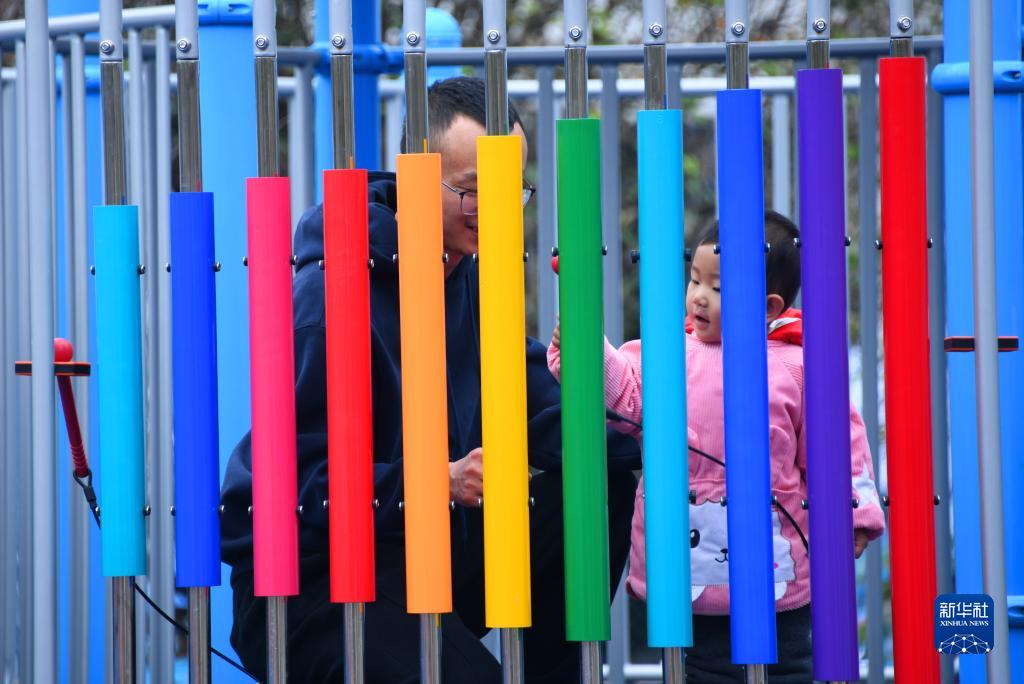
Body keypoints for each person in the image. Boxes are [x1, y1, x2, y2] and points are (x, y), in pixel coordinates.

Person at [219, 76, 641, 683]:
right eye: (472, 192)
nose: (493, 211)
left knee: (595, 481)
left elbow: (538, 404)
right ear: (415, 175)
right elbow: (298, 486)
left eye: (511, 191)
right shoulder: (329, 294)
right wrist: (435, 480)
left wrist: (655, 430)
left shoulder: (464, 273)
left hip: (427, 554)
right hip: (315, 582)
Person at [547, 211, 887, 683]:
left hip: (776, 582)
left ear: (768, 306)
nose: (699, 297)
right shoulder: (667, 354)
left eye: (718, 287)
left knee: (788, 670)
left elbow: (840, 448)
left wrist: (856, 513)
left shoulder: (797, 366)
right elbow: (622, 392)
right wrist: (586, 345)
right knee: (697, 671)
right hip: (686, 583)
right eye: (694, 280)